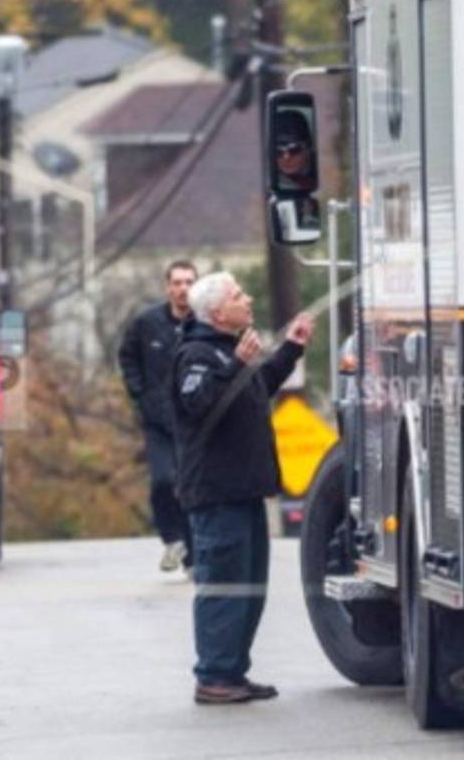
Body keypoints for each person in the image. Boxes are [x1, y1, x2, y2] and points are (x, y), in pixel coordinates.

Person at [171, 271, 313, 705]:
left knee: (249, 587)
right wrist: (234, 365)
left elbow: (257, 389)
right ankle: (213, 675)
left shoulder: (231, 351)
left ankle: (233, 671)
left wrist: (291, 349)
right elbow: (197, 404)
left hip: (245, 491)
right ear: (216, 312)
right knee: (223, 586)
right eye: (238, 296)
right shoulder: (196, 355)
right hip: (217, 494)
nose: (248, 299)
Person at [117, 260, 197, 573]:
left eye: (189, 282)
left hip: (193, 422)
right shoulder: (146, 323)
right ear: (167, 287)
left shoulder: (204, 323)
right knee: (163, 481)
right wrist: (140, 394)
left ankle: (194, 557)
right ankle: (172, 538)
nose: (183, 289)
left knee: (191, 486)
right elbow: (127, 357)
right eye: (177, 283)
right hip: (158, 422)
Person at [272, 108, 316, 192]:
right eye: (278, 151)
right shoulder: (273, 184)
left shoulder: (321, 175)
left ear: (307, 150)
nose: (286, 157)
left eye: (294, 150)